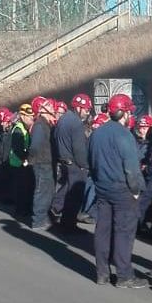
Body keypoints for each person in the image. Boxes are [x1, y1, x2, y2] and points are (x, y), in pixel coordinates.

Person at [87, 94, 146, 288]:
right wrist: (136, 188)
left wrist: (99, 181)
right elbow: (131, 167)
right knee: (123, 232)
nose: (130, 115)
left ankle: (102, 273)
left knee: (102, 231)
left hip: (102, 188)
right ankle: (124, 275)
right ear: (124, 112)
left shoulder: (97, 133)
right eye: (129, 111)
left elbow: (91, 162)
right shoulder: (124, 135)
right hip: (122, 190)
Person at [54, 93, 93, 228]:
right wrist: (85, 165)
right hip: (75, 164)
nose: (87, 113)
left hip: (64, 160)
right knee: (74, 195)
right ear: (78, 108)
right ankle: (69, 225)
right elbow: (79, 149)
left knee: (66, 190)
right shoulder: (76, 123)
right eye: (86, 109)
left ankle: (58, 212)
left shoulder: (64, 119)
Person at [28, 96, 58, 229]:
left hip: (46, 162)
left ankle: (43, 217)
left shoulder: (46, 124)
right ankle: (38, 220)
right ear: (41, 109)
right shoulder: (40, 125)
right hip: (42, 163)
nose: (51, 107)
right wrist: (33, 158)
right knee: (42, 191)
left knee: (48, 190)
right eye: (48, 105)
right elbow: (35, 146)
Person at [9, 104, 35, 218]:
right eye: (29, 116)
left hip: (22, 162)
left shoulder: (24, 128)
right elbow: (18, 148)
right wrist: (25, 159)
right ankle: (20, 211)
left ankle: (24, 208)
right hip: (18, 163)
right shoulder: (18, 129)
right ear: (22, 116)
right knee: (21, 188)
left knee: (25, 187)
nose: (31, 119)